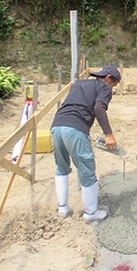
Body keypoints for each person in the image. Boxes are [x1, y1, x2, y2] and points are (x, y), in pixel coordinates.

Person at [50, 65, 121, 221]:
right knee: (87, 170)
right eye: (113, 84)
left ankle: (63, 208)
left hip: (57, 127)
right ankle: (91, 213)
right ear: (108, 78)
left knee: (61, 167)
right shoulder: (104, 87)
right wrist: (108, 134)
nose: (112, 88)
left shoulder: (79, 84)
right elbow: (99, 108)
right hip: (75, 129)